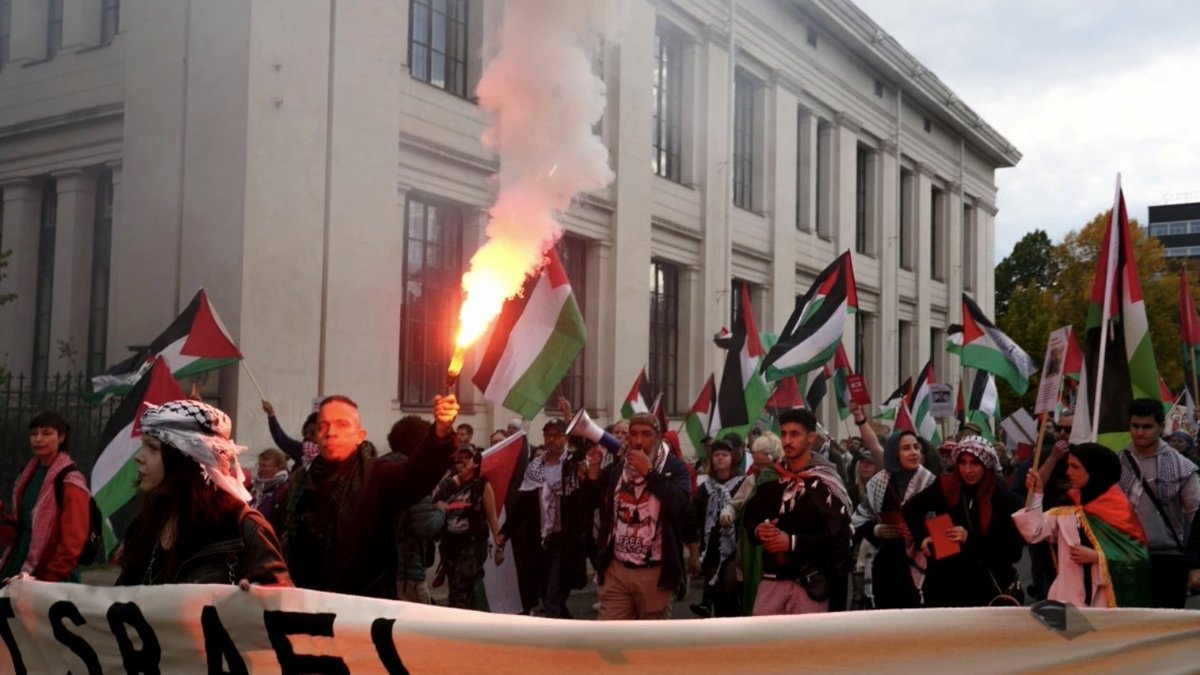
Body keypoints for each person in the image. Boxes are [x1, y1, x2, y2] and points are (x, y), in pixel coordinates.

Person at [281, 394, 459, 597]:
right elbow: (280, 541)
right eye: (322, 426)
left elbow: (415, 476)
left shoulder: (377, 475)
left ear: (360, 435)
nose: (330, 433)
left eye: (342, 425)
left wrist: (440, 435)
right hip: (305, 604)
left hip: (363, 610)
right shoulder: (299, 482)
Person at [116, 401, 291, 586]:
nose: (139, 457)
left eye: (152, 448)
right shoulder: (142, 527)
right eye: (143, 446)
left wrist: (255, 598)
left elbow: (279, 600)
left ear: (185, 459)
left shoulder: (241, 528)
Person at [743, 408, 852, 615]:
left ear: (811, 438)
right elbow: (750, 516)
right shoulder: (772, 478)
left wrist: (792, 542)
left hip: (810, 583)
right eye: (783, 434)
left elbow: (837, 535)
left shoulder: (825, 481)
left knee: (807, 645)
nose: (787, 440)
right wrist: (759, 530)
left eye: (795, 434)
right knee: (761, 643)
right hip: (772, 581)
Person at [1014, 443, 1151, 607]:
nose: (1068, 472)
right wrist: (1036, 493)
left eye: (1075, 467)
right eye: (1068, 466)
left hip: (1105, 602)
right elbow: (1035, 532)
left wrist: (1098, 557)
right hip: (1068, 597)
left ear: (1094, 469)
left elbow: (1138, 559)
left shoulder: (1119, 508)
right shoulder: (1068, 504)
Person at [583, 413, 691, 620]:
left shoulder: (675, 468)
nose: (639, 441)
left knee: (648, 643)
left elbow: (681, 506)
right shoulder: (618, 468)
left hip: (654, 573)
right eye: (633, 434)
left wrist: (649, 473)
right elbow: (593, 504)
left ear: (658, 437)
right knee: (609, 636)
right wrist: (593, 474)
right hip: (617, 569)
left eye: (646, 434)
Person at [903, 435, 1024, 608]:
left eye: (974, 463)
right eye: (962, 463)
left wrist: (970, 539)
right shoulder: (945, 486)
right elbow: (911, 509)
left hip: (986, 591)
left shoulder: (1005, 501)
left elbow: (1013, 552)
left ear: (986, 464)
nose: (967, 470)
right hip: (944, 587)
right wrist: (923, 537)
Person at [1117, 399, 1199, 608]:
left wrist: (1195, 564)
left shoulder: (1181, 465)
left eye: (1147, 426)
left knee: (1166, 628)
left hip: (1169, 558)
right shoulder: (1118, 463)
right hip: (1127, 558)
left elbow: (1196, 515)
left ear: (1161, 427)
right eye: (1135, 426)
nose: (1140, 432)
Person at [502, 419, 588, 617]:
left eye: (557, 435)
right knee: (546, 592)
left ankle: (553, 642)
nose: (552, 440)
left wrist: (570, 417)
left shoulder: (573, 464)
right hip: (541, 540)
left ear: (565, 438)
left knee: (553, 595)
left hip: (566, 541)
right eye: (548, 435)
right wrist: (504, 533)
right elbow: (523, 504)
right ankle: (569, 633)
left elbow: (584, 447)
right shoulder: (536, 466)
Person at [0, 412, 91, 583]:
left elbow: (74, 539)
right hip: (19, 562)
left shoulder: (70, 480)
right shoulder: (27, 475)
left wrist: (51, 578)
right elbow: (19, 525)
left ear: (62, 437)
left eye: (47, 433)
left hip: (52, 573)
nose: (38, 439)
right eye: (34, 434)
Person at [851, 430, 936, 609]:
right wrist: (877, 530)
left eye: (916, 447)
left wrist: (922, 533)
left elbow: (939, 524)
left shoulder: (931, 483)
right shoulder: (876, 483)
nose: (914, 452)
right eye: (906, 448)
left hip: (921, 563)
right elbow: (859, 518)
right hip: (885, 564)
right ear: (893, 453)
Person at [381, 415, 444, 604]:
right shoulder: (416, 475)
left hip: (378, 568)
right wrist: (441, 510)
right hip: (407, 573)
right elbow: (425, 526)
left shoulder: (378, 468)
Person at [433, 445, 503, 610]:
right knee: (457, 590)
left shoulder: (482, 485)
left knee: (462, 591)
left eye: (467, 458)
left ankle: (459, 627)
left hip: (472, 546)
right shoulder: (446, 485)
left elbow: (492, 517)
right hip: (450, 546)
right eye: (459, 459)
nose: (463, 463)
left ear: (475, 463)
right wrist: (439, 505)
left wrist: (499, 547)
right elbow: (433, 503)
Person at [690, 438, 747, 617]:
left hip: (734, 548)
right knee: (718, 597)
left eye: (724, 455)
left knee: (731, 594)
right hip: (711, 549)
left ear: (733, 458)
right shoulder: (705, 487)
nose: (720, 459)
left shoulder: (742, 483)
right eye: (716, 455)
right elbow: (695, 516)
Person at [261, 400, 319, 468]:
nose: (307, 436)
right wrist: (271, 414)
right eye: (305, 433)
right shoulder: (302, 450)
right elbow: (281, 439)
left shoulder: (331, 459)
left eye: (313, 433)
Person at [250, 448, 290, 534]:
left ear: (279, 467)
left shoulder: (284, 489)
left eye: (264, 466)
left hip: (270, 535)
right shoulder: (256, 486)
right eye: (259, 465)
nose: (260, 469)